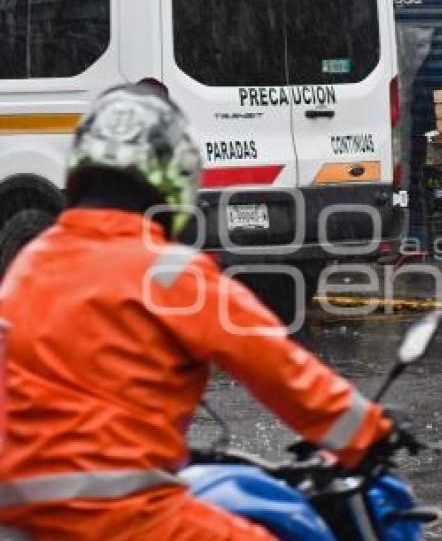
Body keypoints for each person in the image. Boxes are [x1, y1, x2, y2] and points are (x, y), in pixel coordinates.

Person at [0, 84, 402, 540]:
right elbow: (278, 367)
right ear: (172, 177)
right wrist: (368, 433)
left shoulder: (31, 264)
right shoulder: (169, 270)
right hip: (121, 517)